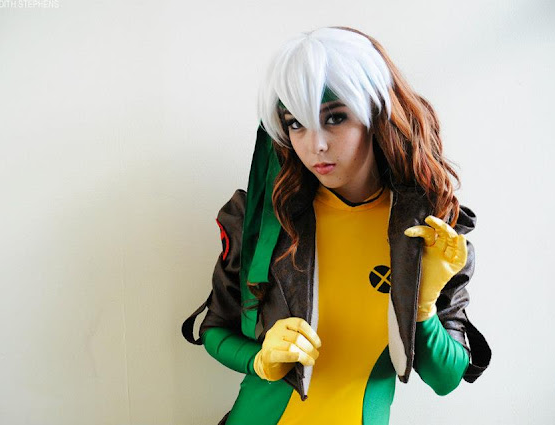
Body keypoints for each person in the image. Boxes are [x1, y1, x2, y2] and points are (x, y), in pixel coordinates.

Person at [182, 26, 491, 425]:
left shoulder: (432, 233)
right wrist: (260, 359)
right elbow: (214, 330)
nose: (316, 145)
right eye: (296, 123)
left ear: (375, 113)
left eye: (335, 118)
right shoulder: (264, 221)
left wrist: (422, 307)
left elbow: (446, 379)